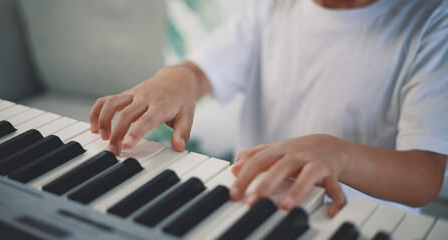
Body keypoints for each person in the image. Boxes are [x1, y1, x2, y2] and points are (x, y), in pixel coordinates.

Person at [89, 0, 448, 217]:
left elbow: (426, 177)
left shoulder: (434, 21)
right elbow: (201, 73)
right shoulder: (273, 6)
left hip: (356, 221)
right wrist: (178, 77)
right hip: (257, 204)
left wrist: (337, 155)